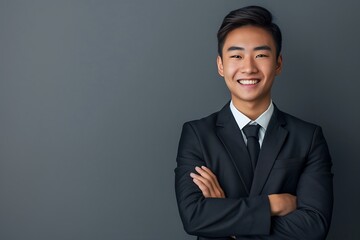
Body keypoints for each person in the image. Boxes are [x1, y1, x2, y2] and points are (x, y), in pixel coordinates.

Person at [174, 5, 333, 240]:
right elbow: (194, 217)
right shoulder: (197, 134)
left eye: (261, 55)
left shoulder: (308, 137)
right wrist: (272, 204)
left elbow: (313, 226)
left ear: (278, 63)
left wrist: (227, 221)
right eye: (236, 56)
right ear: (220, 65)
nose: (248, 67)